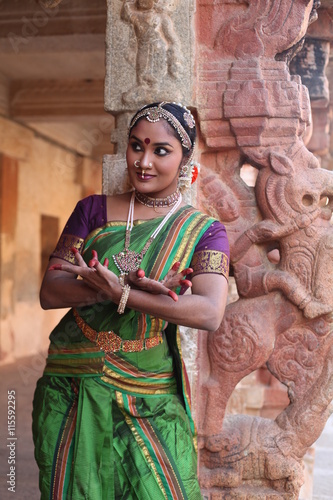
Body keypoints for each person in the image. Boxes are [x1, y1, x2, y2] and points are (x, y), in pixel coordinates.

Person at [32, 101, 230, 499]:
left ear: (185, 158)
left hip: (151, 393)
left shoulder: (205, 231)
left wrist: (124, 293)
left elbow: (209, 312)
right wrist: (113, 287)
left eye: (161, 150)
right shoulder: (92, 211)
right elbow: (51, 291)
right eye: (137, 146)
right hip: (74, 384)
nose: (144, 161)